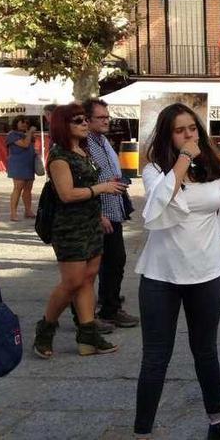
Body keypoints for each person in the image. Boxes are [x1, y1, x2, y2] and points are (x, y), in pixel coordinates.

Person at [133, 103, 220, 439]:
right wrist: (183, 158)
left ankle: (217, 421)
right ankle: (142, 430)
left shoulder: (215, 165)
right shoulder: (154, 169)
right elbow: (158, 203)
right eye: (180, 130)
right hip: (161, 274)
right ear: (169, 134)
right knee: (156, 356)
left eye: (192, 128)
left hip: (207, 272)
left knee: (206, 349)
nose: (188, 135)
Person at [32, 104, 126, 359]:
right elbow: (67, 194)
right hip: (69, 228)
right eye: (78, 121)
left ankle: (88, 336)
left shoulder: (83, 151)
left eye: (85, 119)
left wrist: (100, 214)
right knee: (72, 282)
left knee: (88, 278)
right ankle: (45, 329)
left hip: (91, 223)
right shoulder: (60, 155)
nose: (85, 124)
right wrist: (101, 188)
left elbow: (87, 188)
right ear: (64, 125)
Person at [83, 98, 139, 329]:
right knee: (92, 268)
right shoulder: (84, 144)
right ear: (88, 120)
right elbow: (83, 181)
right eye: (102, 117)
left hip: (112, 210)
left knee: (114, 261)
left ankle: (109, 307)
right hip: (97, 213)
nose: (107, 121)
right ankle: (92, 314)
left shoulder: (102, 140)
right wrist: (98, 214)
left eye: (107, 116)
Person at [6, 115, 36, 221]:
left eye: (27, 123)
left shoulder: (27, 134)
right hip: (18, 165)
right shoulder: (12, 134)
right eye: (22, 122)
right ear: (16, 123)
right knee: (18, 188)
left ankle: (28, 210)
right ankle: (13, 213)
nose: (25, 124)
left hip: (29, 164)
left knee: (28, 189)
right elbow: (25, 144)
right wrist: (30, 132)